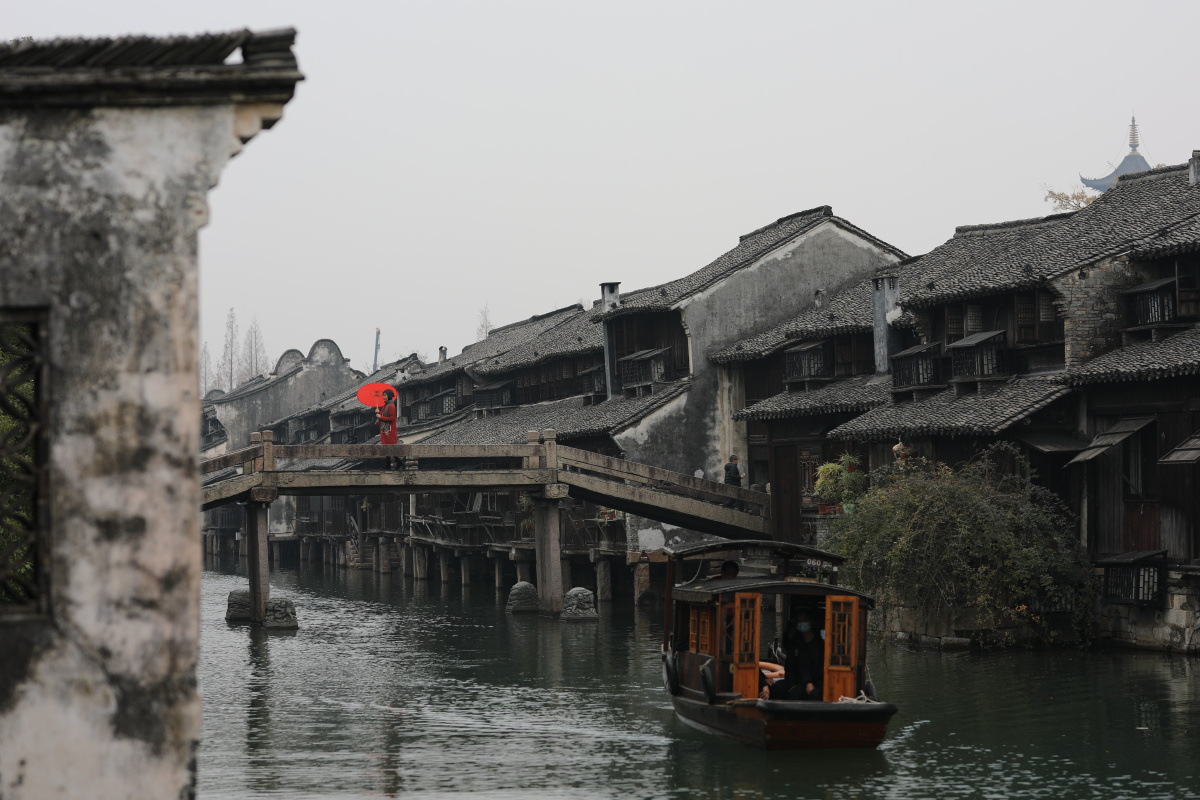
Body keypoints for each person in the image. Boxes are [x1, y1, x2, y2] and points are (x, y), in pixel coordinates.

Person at [768, 611, 824, 701]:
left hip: (817, 683)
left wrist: (811, 683)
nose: (802, 624)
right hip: (798, 681)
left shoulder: (820, 644)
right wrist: (792, 684)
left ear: (811, 622)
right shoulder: (795, 643)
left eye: (804, 620)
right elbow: (791, 665)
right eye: (799, 621)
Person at [376, 389, 398, 466]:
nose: (384, 397)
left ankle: (397, 462)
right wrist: (378, 413)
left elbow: (392, 418)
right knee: (386, 446)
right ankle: (388, 463)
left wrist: (380, 417)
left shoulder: (391, 406)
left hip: (390, 430)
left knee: (390, 446)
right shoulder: (385, 406)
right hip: (385, 429)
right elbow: (382, 416)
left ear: (389, 395)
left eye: (385, 395)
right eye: (383, 395)